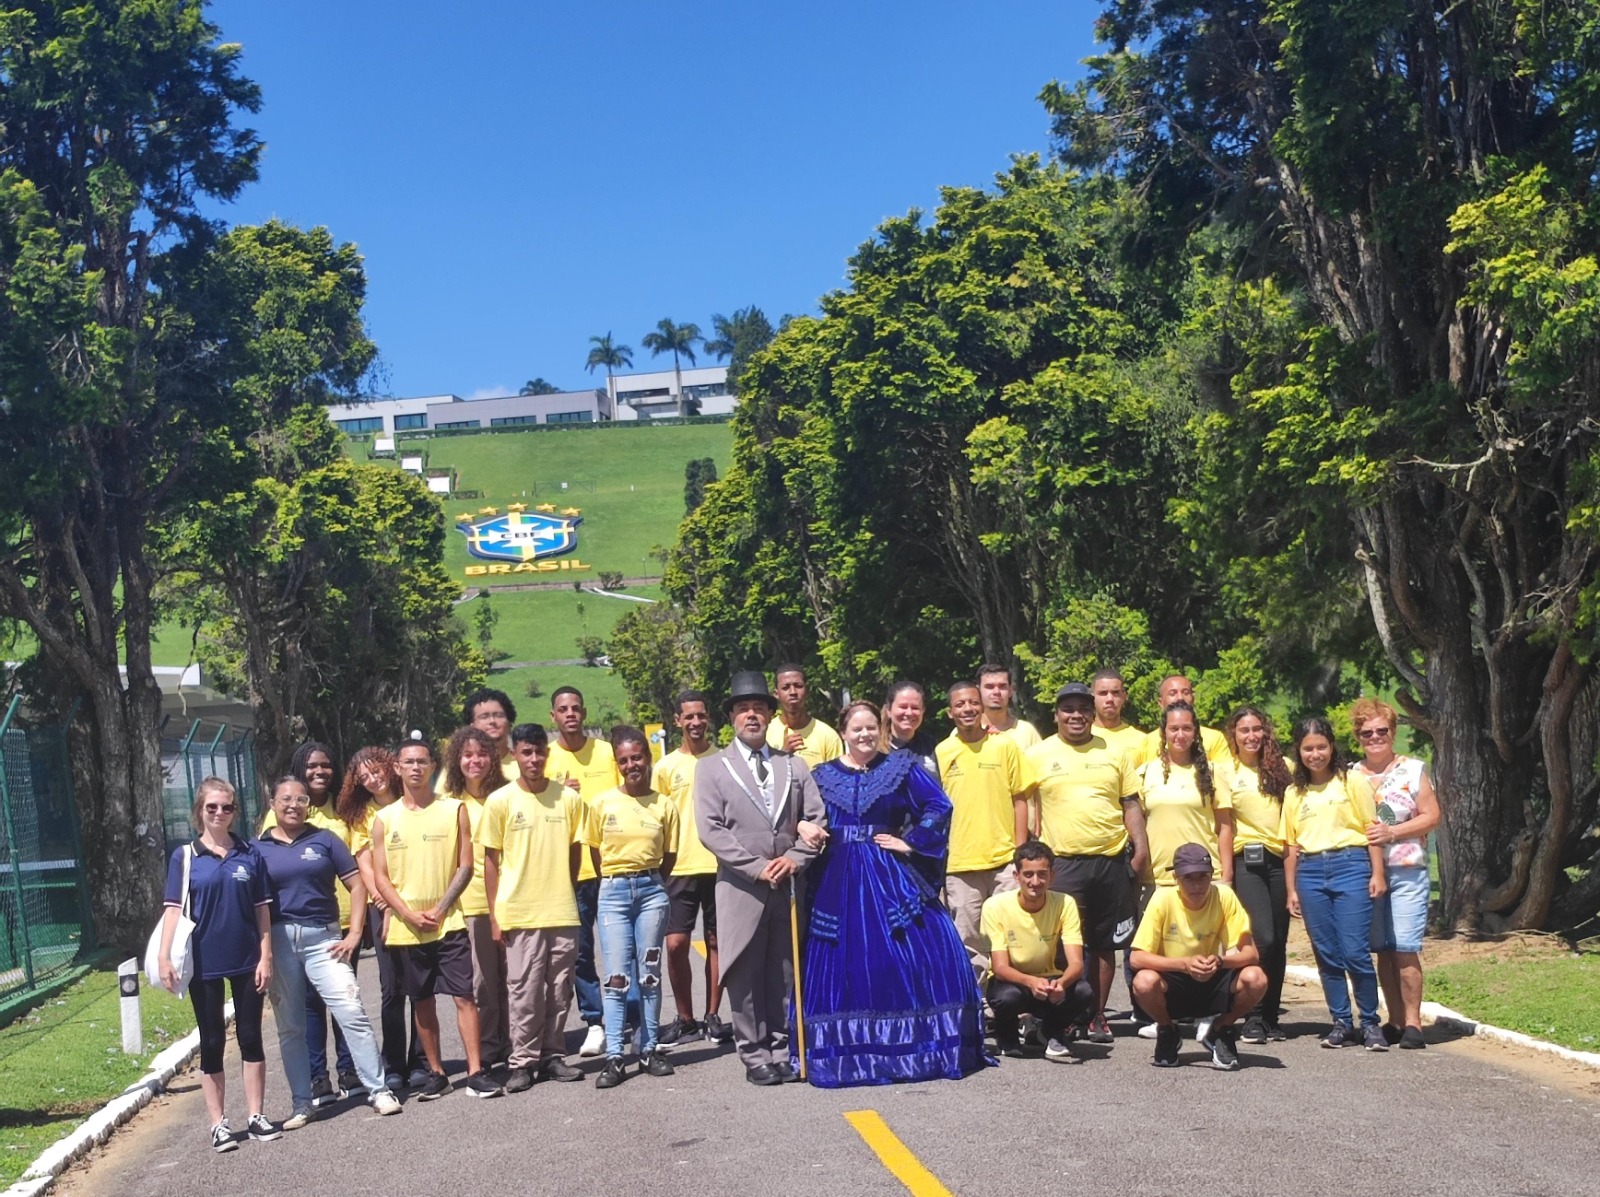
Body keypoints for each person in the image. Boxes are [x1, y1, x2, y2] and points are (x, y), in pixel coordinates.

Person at [796, 700, 990, 1087]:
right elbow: (797, 812)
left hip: (887, 871)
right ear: (843, 734)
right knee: (844, 958)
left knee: (909, 953)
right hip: (837, 875)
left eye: (871, 728)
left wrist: (912, 842)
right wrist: (803, 825)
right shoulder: (819, 775)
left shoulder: (901, 768)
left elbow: (939, 804)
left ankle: (915, 1048)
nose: (865, 734)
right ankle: (845, 1051)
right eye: (857, 729)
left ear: (880, 729)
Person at [694, 670, 827, 1086]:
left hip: (787, 884)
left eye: (758, 708)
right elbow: (711, 829)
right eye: (742, 709)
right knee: (745, 972)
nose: (751, 715)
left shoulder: (794, 765)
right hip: (741, 885)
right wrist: (755, 867)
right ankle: (753, 1054)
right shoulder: (712, 769)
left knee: (784, 971)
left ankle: (782, 1047)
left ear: (771, 716)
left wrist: (794, 858)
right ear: (730, 716)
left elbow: (816, 819)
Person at [256, 776, 401, 1126]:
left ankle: (379, 1090)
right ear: (272, 804)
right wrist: (261, 952)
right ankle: (302, 1103)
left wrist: (354, 933)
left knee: (351, 1010)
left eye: (301, 800)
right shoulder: (257, 849)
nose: (293, 806)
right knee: (290, 1026)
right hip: (278, 941)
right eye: (286, 799)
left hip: (324, 939)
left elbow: (355, 885)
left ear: (309, 805)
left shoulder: (325, 840)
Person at [371, 737, 503, 1099]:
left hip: (450, 922)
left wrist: (442, 908)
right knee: (422, 1000)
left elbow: (466, 864)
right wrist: (406, 912)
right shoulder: (384, 819)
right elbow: (380, 876)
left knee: (465, 996)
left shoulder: (453, 809)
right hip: (407, 926)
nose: (415, 768)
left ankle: (476, 1071)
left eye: (422, 762)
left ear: (432, 767)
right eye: (408, 762)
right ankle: (437, 1072)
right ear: (397, 768)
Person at [157, 778, 279, 1153]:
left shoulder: (249, 853)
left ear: (234, 812)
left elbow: (262, 910)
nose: (219, 814)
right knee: (211, 1041)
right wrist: (164, 957)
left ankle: (256, 1115)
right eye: (212, 807)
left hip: (246, 959)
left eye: (226, 807)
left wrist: (266, 955)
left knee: (250, 1036)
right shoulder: (186, 857)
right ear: (200, 811)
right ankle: (218, 1123)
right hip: (204, 961)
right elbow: (173, 909)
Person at [1023, 682, 1147, 1042]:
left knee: (1104, 943)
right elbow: (1025, 805)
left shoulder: (1115, 751)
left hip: (1109, 860)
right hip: (1062, 862)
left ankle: (1096, 1017)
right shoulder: (1039, 755)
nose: (1076, 715)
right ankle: (1059, 1016)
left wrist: (1140, 849)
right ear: (1056, 715)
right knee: (1060, 944)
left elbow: (1131, 804)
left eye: (1082, 709)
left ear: (1093, 714)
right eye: (1068, 709)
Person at [477, 722, 587, 1091]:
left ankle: (553, 1054)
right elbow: (490, 862)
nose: (534, 758)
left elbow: (575, 852)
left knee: (559, 988)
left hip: (561, 910)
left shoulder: (568, 800)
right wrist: (495, 916)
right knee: (523, 991)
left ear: (548, 754)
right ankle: (522, 1061)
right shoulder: (501, 801)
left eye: (540, 751)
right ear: (515, 754)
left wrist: (564, 890)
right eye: (527, 752)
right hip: (519, 912)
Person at [1282, 716, 1389, 1051]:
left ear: (1332, 747)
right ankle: (1341, 1022)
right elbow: (1290, 845)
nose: (1316, 754)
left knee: (1355, 951)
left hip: (1350, 865)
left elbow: (1372, 829)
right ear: (1299, 753)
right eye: (1308, 749)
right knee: (1326, 953)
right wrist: (1291, 890)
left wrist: (1377, 873)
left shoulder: (1351, 781)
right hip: (1310, 872)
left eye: (1321, 747)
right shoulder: (1293, 791)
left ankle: (1370, 1023)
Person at [586, 726, 680, 1088]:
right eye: (624, 760)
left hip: (652, 892)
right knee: (616, 978)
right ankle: (614, 1056)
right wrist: (617, 881)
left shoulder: (664, 804)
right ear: (617, 764)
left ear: (648, 757)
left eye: (637, 757)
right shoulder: (602, 803)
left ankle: (650, 1048)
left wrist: (648, 880)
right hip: (613, 892)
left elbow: (668, 855)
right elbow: (595, 852)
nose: (631, 765)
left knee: (650, 974)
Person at [1351, 696, 1441, 1050]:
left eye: (1381, 730)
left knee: (1405, 946)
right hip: (1365, 872)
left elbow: (1431, 815)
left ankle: (1414, 1024)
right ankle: (1395, 1019)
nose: (1374, 737)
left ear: (1393, 731)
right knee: (1383, 948)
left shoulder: (1413, 770)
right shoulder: (1351, 774)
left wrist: (1393, 833)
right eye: (1366, 732)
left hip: (1406, 869)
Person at [1129, 843, 1267, 1070]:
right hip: (1174, 976)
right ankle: (1167, 1030)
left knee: (1256, 978)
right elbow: (1137, 958)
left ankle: (1221, 1029)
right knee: (1144, 981)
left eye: (1203, 877)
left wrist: (1221, 961)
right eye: (1188, 878)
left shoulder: (1224, 895)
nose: (1196, 885)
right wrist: (1183, 964)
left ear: (1212, 876)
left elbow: (1251, 953)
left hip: (1212, 972)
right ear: (1175, 878)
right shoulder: (1162, 899)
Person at [277, 742, 359, 1108]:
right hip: (299, 927)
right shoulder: (281, 812)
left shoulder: (344, 812)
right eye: (311, 766)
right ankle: (317, 1076)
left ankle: (349, 1070)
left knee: (345, 999)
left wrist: (361, 922)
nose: (319, 772)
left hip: (340, 924)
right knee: (311, 1004)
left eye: (326, 765)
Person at [334, 746, 419, 1091]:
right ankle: (394, 1062)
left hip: (416, 901)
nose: (372, 779)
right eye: (363, 777)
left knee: (420, 987)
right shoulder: (362, 815)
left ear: (390, 766)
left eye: (375, 770)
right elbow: (364, 864)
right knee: (391, 987)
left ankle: (424, 1060)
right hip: (382, 906)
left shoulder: (414, 802)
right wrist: (384, 904)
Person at [547, 685, 621, 1058]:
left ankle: (630, 1020)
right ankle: (595, 1021)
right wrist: (557, 792)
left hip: (613, 864)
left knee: (622, 949)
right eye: (563, 709)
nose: (570, 714)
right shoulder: (545, 759)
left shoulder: (606, 752)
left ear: (584, 712)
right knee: (580, 951)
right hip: (574, 870)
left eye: (576, 707)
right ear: (553, 717)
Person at [935, 680, 1027, 981]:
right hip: (960, 864)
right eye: (960, 704)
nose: (968, 709)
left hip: (1003, 861)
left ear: (982, 706)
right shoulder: (943, 751)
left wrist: (1020, 853)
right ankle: (978, 1007)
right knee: (968, 942)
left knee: (1011, 938)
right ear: (950, 712)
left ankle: (1017, 1009)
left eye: (973, 702)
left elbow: (1020, 798)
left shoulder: (1005, 745)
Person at [653, 690, 731, 1046]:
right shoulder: (666, 767)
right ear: (677, 721)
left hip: (720, 864)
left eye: (701, 715)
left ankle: (713, 1016)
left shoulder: (726, 760)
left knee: (717, 941)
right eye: (689, 717)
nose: (696, 722)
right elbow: (656, 818)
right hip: (678, 865)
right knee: (675, 944)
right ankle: (685, 1017)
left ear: (708, 717)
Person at [981, 841, 1096, 1062]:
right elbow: (1000, 967)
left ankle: (1051, 1032)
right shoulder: (994, 906)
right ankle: (1007, 1034)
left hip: (1049, 979)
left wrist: (1061, 984)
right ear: (1016, 876)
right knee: (1007, 997)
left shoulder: (1065, 903)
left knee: (1083, 991)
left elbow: (1076, 964)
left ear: (1052, 876)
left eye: (1042, 875)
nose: (1035, 882)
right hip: (1012, 982)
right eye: (1029, 875)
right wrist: (1031, 982)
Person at [441, 725, 511, 1070]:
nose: (475, 761)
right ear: (457, 760)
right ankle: (490, 1045)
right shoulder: (450, 803)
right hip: (473, 903)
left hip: (511, 899)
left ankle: (515, 1040)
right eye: (467, 755)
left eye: (482, 754)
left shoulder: (507, 795)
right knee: (483, 981)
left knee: (513, 977)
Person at [1222, 705, 1293, 1042]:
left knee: (1278, 942)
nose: (1251, 736)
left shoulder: (1285, 770)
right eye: (1243, 730)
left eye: (1256, 729)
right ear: (1232, 735)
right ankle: (1251, 1014)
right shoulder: (1224, 771)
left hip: (1281, 861)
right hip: (1245, 862)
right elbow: (1221, 825)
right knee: (1261, 937)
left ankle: (1270, 1016)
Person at [1137, 701, 1235, 887]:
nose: (1180, 735)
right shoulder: (1146, 772)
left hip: (1204, 877)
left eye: (1186, 728)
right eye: (1174, 728)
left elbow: (1224, 827)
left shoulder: (1213, 772)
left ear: (1195, 732)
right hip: (1157, 880)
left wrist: (1226, 877)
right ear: (1163, 732)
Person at [437, 688, 521, 791]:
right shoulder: (462, 767)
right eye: (484, 717)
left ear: (509, 722)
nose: (492, 721)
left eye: (498, 715)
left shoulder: (524, 763)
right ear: (471, 725)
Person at [1137, 675, 1230, 765]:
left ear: (1193, 699)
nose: (1180, 698)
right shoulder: (1146, 742)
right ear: (1161, 702)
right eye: (1173, 693)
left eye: (1185, 692)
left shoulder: (1215, 738)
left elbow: (1224, 775)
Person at [767, 663, 844, 768]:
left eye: (798, 686)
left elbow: (838, 779)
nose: (793, 692)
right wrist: (783, 754)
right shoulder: (765, 732)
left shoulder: (828, 736)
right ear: (776, 694)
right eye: (786, 687)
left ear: (807, 691)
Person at [977, 663, 1041, 751]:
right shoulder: (966, 732)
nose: (996, 692)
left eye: (1002, 686)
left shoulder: (1027, 732)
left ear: (1010, 691)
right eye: (990, 687)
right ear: (978, 690)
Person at [882, 680, 939, 774]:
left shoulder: (931, 746)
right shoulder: (873, 750)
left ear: (923, 711)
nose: (909, 713)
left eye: (915, 708)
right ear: (888, 710)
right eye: (903, 707)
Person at [1090, 669, 1144, 761]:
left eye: (1115, 693)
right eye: (1103, 693)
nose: (1110, 699)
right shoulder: (1080, 737)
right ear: (1092, 697)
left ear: (1124, 696)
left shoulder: (1142, 740)